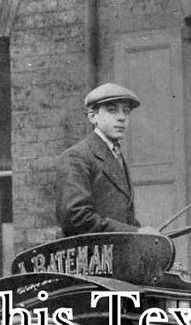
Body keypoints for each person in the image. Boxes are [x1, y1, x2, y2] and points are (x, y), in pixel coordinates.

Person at [56, 82, 156, 236]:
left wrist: (144, 234)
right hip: (91, 251)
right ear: (93, 116)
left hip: (115, 248)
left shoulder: (116, 155)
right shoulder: (76, 157)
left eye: (126, 111)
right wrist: (135, 232)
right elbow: (76, 219)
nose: (122, 118)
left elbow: (123, 218)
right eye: (112, 110)